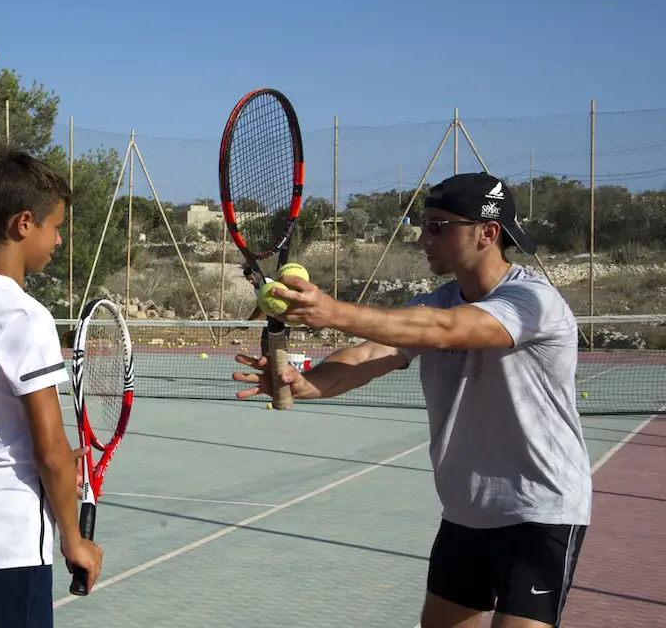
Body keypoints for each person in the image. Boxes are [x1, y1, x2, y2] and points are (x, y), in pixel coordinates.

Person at [233, 172, 592, 628]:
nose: (423, 238)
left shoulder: (533, 301)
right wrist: (306, 381)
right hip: (465, 510)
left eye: (439, 226)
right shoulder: (434, 302)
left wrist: (332, 312)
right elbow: (369, 354)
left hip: (540, 509)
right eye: (423, 225)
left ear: (487, 232)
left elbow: (445, 332)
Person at [0, 144, 103, 628]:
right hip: (12, 524)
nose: (57, 242)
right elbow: (51, 447)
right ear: (24, 223)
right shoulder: (26, 317)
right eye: (55, 228)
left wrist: (54, 465)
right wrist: (74, 538)